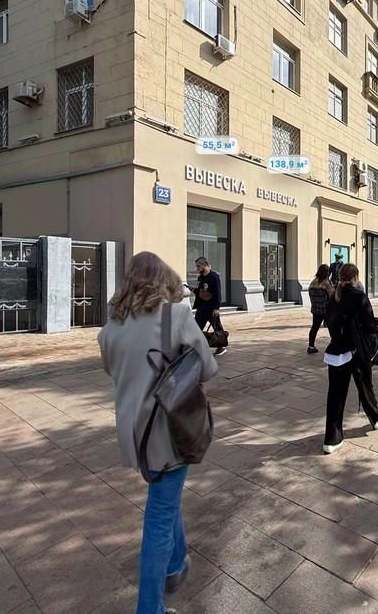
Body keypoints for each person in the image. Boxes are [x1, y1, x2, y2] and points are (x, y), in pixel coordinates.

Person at [98, 252, 218, 614]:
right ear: (162, 279)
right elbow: (207, 369)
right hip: (170, 431)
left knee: (166, 499)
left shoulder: (111, 327)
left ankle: (176, 566)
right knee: (159, 520)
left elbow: (112, 370)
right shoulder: (174, 316)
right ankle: (150, 608)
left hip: (135, 434)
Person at [323, 263, 378, 454]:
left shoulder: (334, 297)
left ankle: (332, 439)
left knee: (335, 396)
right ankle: (376, 418)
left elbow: (329, 322)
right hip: (357, 351)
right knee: (365, 386)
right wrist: (374, 333)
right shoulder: (359, 296)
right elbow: (369, 325)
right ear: (355, 278)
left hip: (336, 352)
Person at [190, 257, 226, 356]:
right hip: (201, 307)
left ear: (204, 265)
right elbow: (201, 291)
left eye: (198, 266)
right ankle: (195, 347)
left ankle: (221, 346)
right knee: (196, 327)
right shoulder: (201, 277)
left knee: (217, 327)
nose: (197, 268)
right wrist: (193, 290)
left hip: (211, 308)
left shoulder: (214, 277)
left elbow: (217, 293)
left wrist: (216, 308)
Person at [307, 264, 334, 354]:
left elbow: (310, 295)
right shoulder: (327, 283)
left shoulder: (313, 282)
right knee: (332, 328)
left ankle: (311, 346)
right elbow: (332, 296)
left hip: (316, 310)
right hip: (327, 310)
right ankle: (334, 346)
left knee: (314, 328)